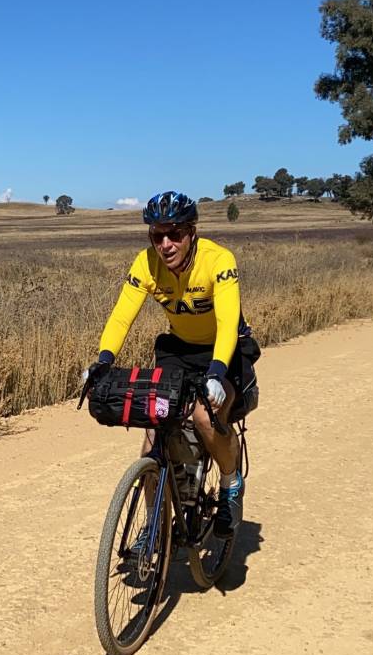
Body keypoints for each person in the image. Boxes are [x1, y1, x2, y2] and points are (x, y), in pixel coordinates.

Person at [84, 190, 257, 538]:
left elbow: (226, 323)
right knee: (153, 426)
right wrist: (103, 360)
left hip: (225, 350)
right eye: (157, 235)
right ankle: (154, 527)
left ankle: (230, 483)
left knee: (205, 416)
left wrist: (216, 373)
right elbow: (121, 317)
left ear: (192, 232)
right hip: (178, 349)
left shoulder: (218, 260)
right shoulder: (145, 263)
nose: (166, 244)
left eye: (175, 233)